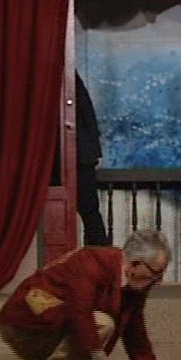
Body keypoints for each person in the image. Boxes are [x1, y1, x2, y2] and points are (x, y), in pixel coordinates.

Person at [0, 229, 175, 360]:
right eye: (156, 273)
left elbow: (138, 340)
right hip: (28, 326)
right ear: (134, 264)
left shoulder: (137, 286)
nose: (158, 281)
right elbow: (79, 315)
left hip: (73, 334)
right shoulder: (92, 261)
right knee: (102, 324)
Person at [75, 72, 109, 246]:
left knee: (90, 213)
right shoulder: (67, 73)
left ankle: (99, 255)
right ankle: (99, 256)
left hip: (80, 155)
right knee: (91, 213)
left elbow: (86, 110)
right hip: (82, 154)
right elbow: (87, 111)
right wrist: (95, 150)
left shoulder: (66, 73)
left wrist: (94, 150)